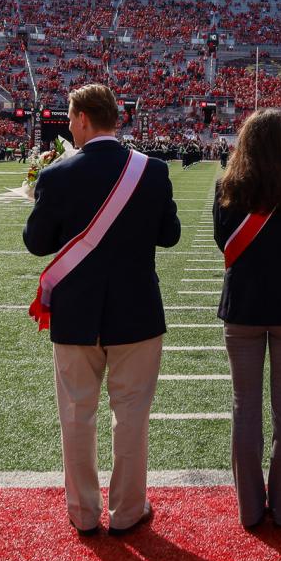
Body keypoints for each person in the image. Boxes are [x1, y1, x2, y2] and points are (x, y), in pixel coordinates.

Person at [23, 83, 181, 537]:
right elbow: (169, 235)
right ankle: (128, 511)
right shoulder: (153, 171)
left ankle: (83, 513)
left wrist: (39, 200)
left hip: (76, 315)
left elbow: (37, 243)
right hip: (136, 312)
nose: (69, 127)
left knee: (76, 415)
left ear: (85, 119)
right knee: (131, 416)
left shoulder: (58, 175)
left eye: (71, 119)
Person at [212, 109, 281, 529]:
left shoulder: (227, 186)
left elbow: (224, 242)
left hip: (243, 307)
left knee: (245, 407)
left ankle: (250, 510)